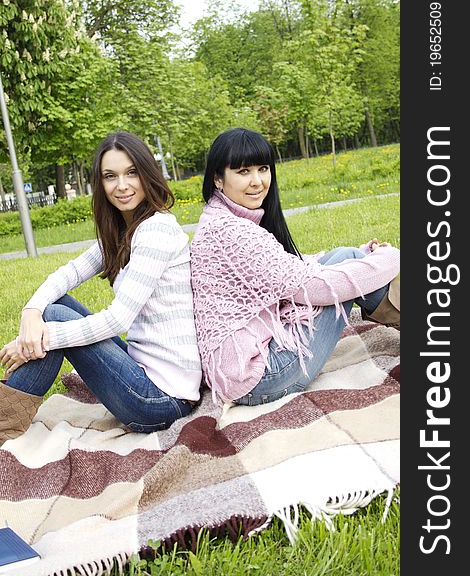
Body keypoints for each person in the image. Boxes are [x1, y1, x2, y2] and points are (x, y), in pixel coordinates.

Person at [0, 131, 202, 444]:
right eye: (110, 176)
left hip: (161, 401)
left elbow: (118, 320)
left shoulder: (156, 230)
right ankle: (6, 415)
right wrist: (32, 311)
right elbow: (70, 272)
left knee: (55, 320)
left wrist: (36, 341)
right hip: (141, 371)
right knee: (55, 308)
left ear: (147, 173)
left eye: (131, 173)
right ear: (101, 182)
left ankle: (3, 420)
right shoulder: (124, 228)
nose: (122, 185)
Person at [190, 127, 400, 406]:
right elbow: (317, 289)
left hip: (240, 369)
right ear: (218, 178)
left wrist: (363, 256)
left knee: (346, 256)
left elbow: (286, 269)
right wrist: (391, 257)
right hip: (260, 377)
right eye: (243, 172)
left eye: (263, 169)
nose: (257, 181)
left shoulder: (219, 220)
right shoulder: (232, 233)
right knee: (344, 273)